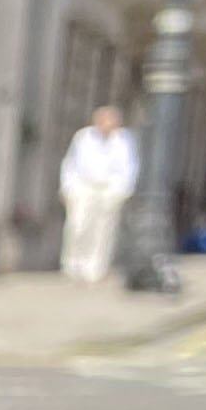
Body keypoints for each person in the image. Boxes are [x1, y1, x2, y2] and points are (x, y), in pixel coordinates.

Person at [59, 105, 139, 285]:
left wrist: (122, 190)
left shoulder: (123, 139)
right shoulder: (83, 137)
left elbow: (130, 166)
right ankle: (73, 264)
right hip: (84, 187)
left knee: (103, 230)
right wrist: (68, 187)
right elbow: (70, 163)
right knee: (78, 226)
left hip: (109, 189)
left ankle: (95, 267)